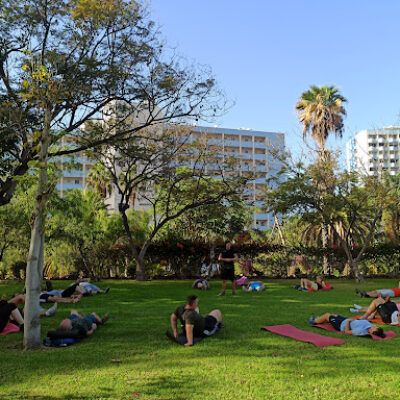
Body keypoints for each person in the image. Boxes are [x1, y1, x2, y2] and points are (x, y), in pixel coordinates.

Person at [308, 312, 385, 337]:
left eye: (375, 328)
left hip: (341, 325)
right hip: (345, 320)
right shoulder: (369, 326)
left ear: (371, 332)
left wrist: (348, 322)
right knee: (333, 315)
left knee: (327, 315)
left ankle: (314, 321)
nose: (375, 326)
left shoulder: (361, 331)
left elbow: (347, 332)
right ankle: (319, 319)